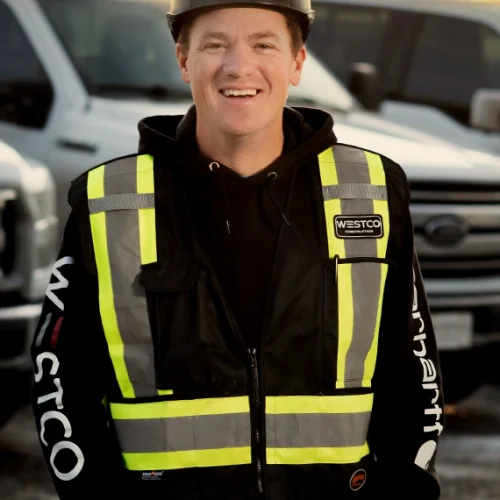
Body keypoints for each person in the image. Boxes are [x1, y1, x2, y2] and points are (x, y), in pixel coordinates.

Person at [30, 0, 445, 498]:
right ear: (183, 60)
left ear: (297, 62)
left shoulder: (371, 192)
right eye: (215, 44)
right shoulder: (108, 203)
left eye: (263, 44)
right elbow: (59, 380)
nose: (238, 66)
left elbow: (413, 375)